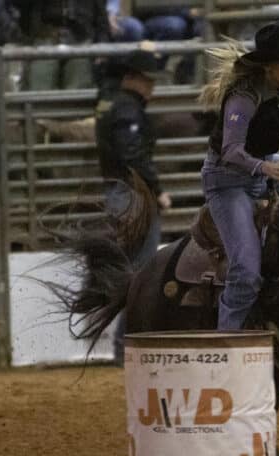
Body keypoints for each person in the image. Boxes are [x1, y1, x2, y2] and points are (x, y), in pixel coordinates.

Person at [197, 21, 279, 331]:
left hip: (264, 164)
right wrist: (265, 168)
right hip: (227, 181)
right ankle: (226, 342)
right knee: (245, 272)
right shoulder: (244, 96)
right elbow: (230, 151)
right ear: (269, 68)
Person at [94, 45, 172, 359]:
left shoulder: (112, 104)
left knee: (132, 270)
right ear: (133, 79)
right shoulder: (127, 110)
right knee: (141, 273)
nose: (151, 87)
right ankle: (129, 347)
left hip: (118, 194)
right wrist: (156, 189)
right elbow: (132, 155)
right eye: (147, 80)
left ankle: (123, 346)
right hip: (132, 195)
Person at [11, 0, 110, 90]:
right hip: (44, 38)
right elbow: (19, 5)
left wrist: (102, 43)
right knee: (38, 88)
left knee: (78, 92)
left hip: (81, 38)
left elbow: (101, 16)